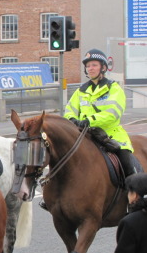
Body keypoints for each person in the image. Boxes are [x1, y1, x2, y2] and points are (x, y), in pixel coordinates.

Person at [41, 49, 138, 211]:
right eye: (88, 66)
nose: (91, 68)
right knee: (61, 157)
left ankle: (135, 198)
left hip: (109, 135)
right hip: (84, 136)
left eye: (94, 65)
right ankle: (52, 197)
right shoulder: (81, 91)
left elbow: (113, 113)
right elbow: (70, 109)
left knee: (126, 161)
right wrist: (72, 120)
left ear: (103, 68)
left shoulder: (113, 89)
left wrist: (89, 121)